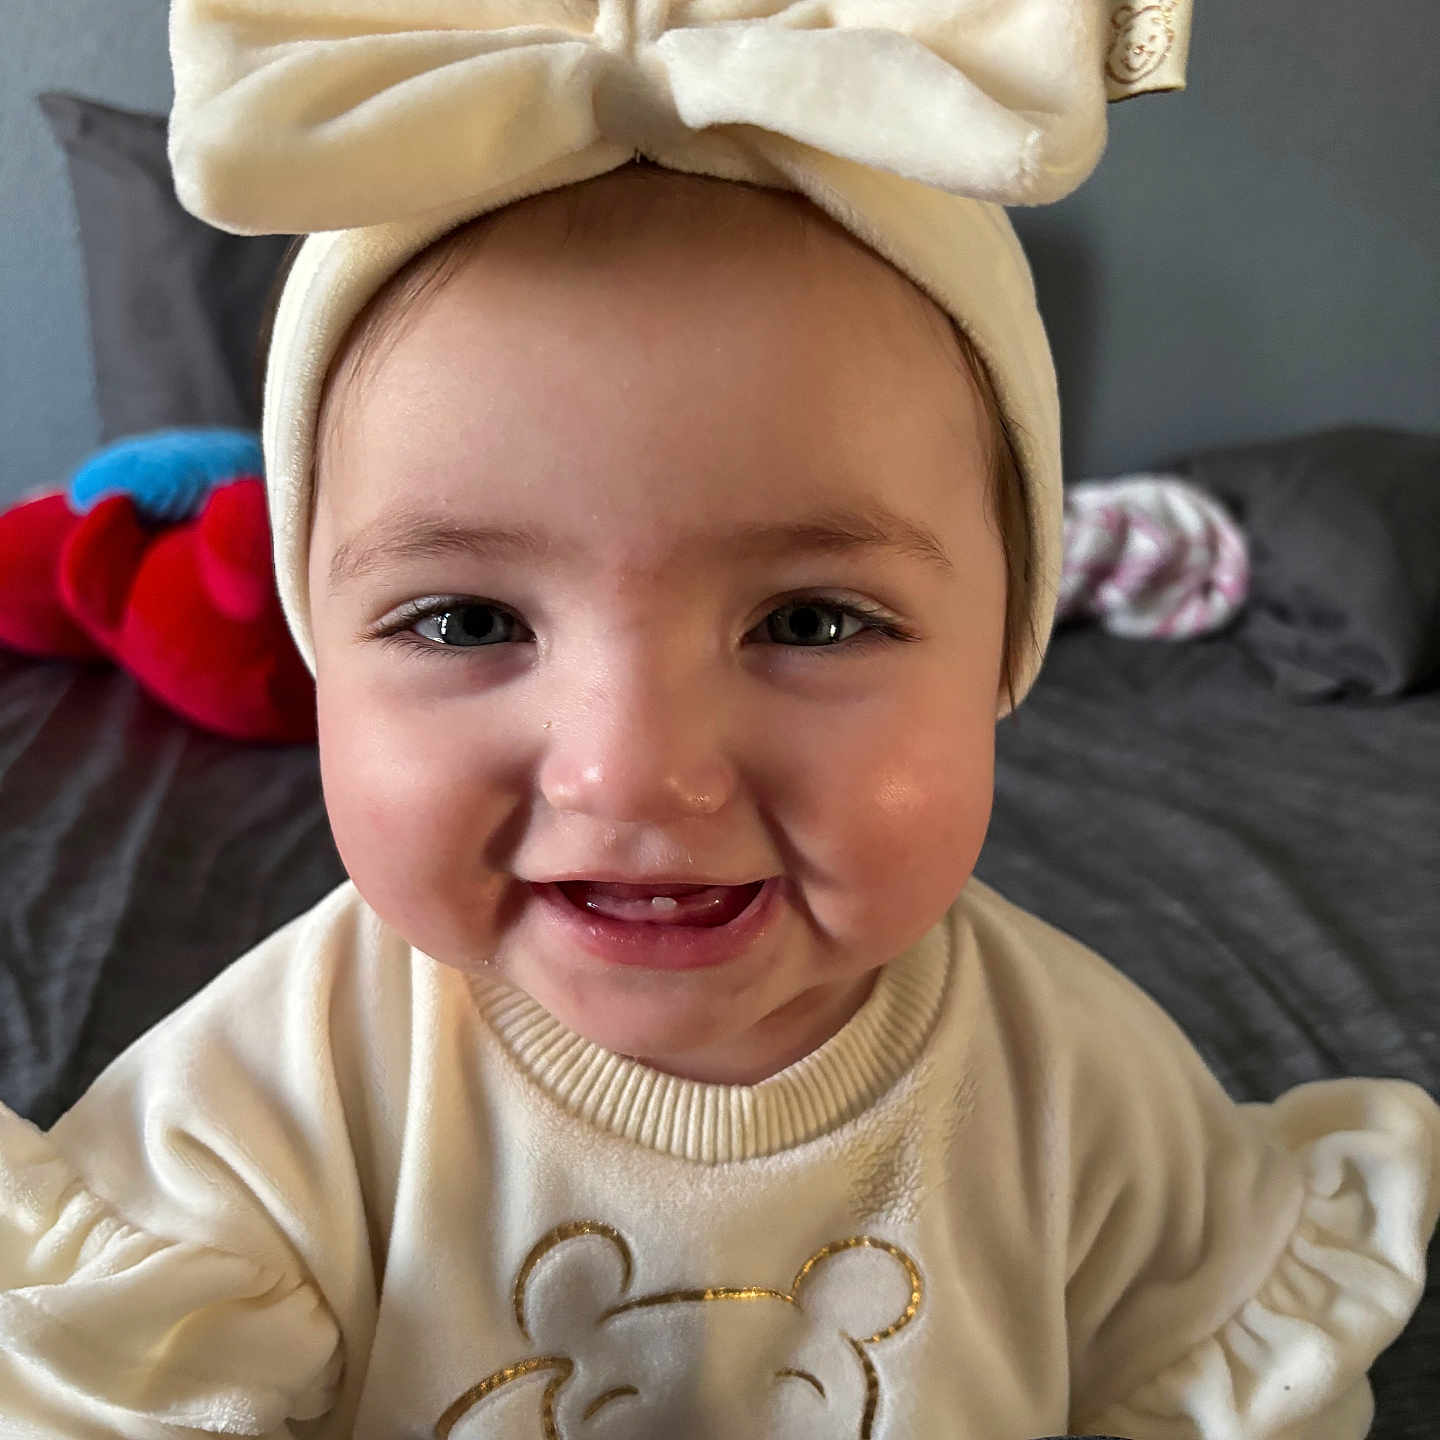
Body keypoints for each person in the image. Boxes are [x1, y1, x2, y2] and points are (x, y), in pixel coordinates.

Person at [2, 4, 1436, 1437]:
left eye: (811, 621)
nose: (634, 771)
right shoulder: (279, 1093)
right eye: (467, 622)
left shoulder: (1083, 1097)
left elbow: (1219, 1383)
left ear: (1007, 645)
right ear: (320, 653)